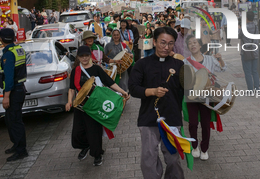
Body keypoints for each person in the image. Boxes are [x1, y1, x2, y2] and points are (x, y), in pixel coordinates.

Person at [128, 27, 185, 179]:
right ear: (154, 42)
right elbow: (133, 88)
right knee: (148, 158)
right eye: (163, 43)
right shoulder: (142, 64)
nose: (166, 47)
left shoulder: (179, 65)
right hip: (148, 118)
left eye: (171, 44)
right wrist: (152, 91)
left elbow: (187, 88)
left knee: (173, 158)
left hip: (172, 118)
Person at [65, 46, 129, 166]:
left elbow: (110, 82)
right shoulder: (75, 71)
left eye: (86, 56)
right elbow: (71, 89)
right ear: (78, 57)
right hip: (80, 106)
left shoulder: (97, 69)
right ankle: (85, 146)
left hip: (94, 105)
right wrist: (69, 102)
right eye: (81, 56)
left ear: (90, 56)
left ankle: (97, 154)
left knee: (93, 131)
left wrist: (123, 92)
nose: (84, 58)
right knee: (77, 132)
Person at [183, 35, 226, 160]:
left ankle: (205, 149)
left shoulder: (210, 59)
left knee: (206, 124)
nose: (193, 45)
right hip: (191, 96)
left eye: (195, 42)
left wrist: (221, 60)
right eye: (190, 43)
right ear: (188, 47)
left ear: (200, 45)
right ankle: (195, 146)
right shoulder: (185, 62)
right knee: (193, 123)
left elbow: (223, 69)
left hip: (207, 95)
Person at [0, 28, 28, 162]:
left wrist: (6, 96)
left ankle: (21, 151)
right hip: (20, 88)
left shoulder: (8, 54)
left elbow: (9, 78)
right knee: (10, 119)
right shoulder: (19, 49)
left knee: (15, 121)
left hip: (13, 91)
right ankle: (17, 145)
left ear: (2, 39)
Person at [238, 11, 260, 92]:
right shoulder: (256, 27)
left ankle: (250, 90)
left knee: (247, 72)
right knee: (254, 71)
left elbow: (239, 36)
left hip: (246, 52)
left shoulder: (244, 27)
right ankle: (257, 88)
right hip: (255, 51)